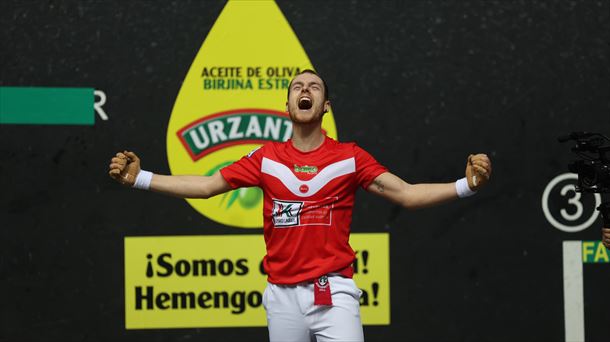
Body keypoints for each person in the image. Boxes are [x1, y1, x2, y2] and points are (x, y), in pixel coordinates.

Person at [109, 70, 492, 342]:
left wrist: (465, 187)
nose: (304, 90)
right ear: (288, 103)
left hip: (334, 292)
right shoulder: (266, 158)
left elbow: (406, 194)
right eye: (297, 87)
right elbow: (208, 185)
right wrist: (141, 178)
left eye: (313, 87)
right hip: (281, 295)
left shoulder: (349, 158)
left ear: (325, 105)